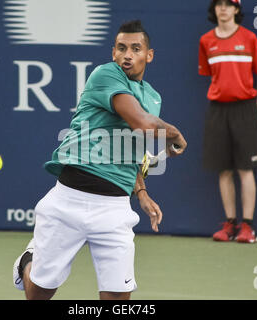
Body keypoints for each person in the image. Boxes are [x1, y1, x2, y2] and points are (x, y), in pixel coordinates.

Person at [12, 20, 187, 300]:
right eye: (121, 48)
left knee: (117, 301)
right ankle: (27, 262)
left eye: (135, 48)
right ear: (113, 53)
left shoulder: (153, 97)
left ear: (149, 55)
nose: (127, 55)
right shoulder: (105, 74)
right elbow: (141, 124)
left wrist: (140, 191)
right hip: (68, 200)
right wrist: (175, 133)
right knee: (37, 295)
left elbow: (132, 146)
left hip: (115, 209)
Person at [198, 0, 257, 243]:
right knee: (224, 170)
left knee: (245, 169)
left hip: (245, 109)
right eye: (219, 4)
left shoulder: (249, 39)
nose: (224, 8)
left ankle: (247, 227)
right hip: (218, 110)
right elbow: (208, 74)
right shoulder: (206, 41)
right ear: (214, 9)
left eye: (229, 4)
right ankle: (229, 224)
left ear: (237, 9)